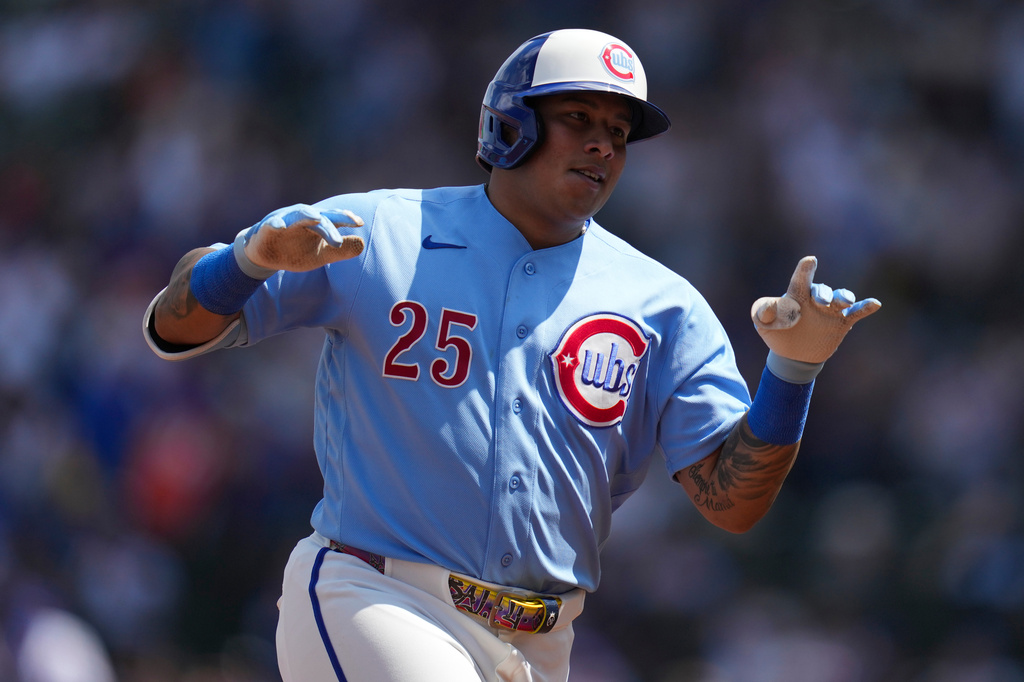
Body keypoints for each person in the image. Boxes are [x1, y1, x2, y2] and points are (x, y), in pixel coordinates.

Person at [143, 28, 880, 682]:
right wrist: (246, 259)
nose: (603, 145)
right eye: (579, 119)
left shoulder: (663, 304)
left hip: (540, 643)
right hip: (376, 594)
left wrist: (793, 371)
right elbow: (175, 326)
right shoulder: (381, 232)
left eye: (619, 132)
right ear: (511, 126)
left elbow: (732, 502)